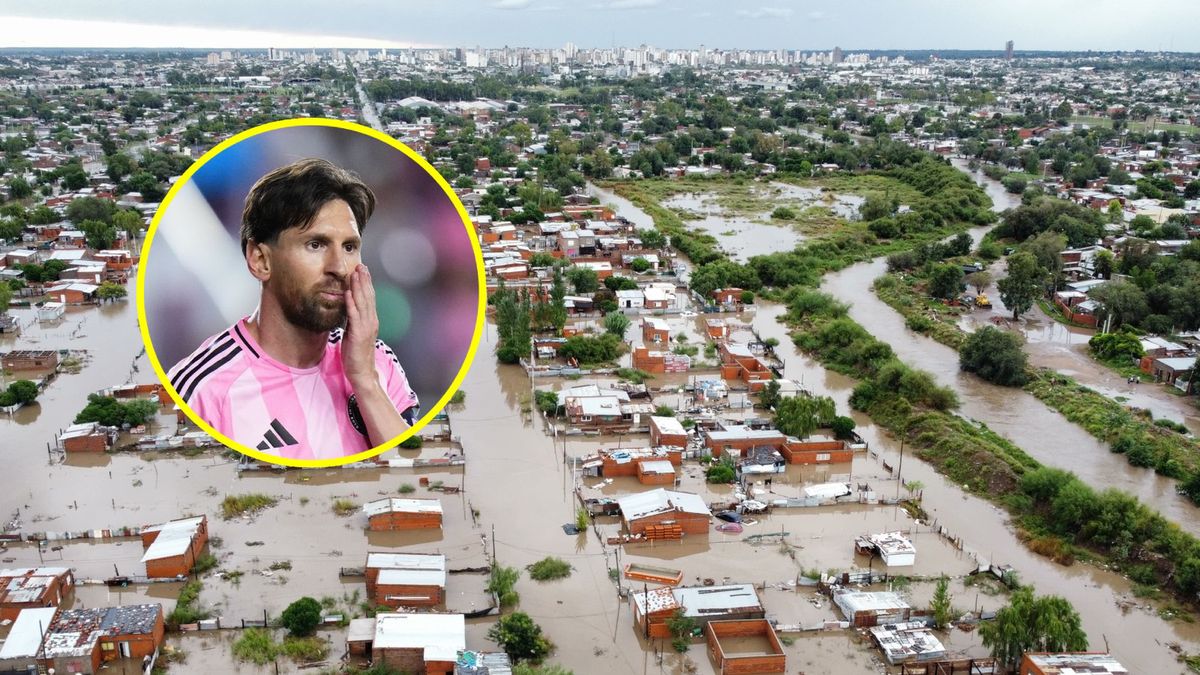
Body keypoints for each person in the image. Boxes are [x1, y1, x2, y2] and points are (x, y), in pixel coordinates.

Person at [168, 158, 418, 460]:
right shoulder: (200, 390)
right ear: (260, 260)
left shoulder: (378, 362)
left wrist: (364, 379)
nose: (339, 267)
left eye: (349, 247)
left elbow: (415, 477)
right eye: (315, 244)